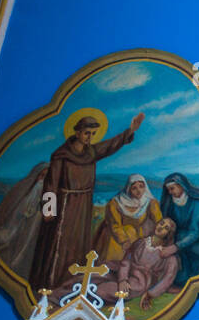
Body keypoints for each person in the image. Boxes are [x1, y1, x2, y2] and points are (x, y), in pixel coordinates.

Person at [29, 112, 144, 292]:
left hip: (83, 204)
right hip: (66, 205)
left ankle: (72, 284)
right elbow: (51, 184)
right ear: (77, 133)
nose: (89, 137)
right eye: (86, 133)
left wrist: (129, 131)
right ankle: (52, 283)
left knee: (80, 243)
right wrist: (49, 209)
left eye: (92, 134)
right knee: (62, 243)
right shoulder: (61, 155)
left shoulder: (91, 152)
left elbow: (109, 146)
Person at [93, 218, 180, 312]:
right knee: (95, 276)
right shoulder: (141, 242)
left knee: (100, 290)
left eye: (166, 228)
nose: (161, 227)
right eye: (161, 223)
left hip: (138, 283)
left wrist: (150, 294)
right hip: (122, 273)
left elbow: (167, 279)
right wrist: (123, 279)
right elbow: (126, 261)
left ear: (169, 234)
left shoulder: (169, 257)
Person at [0, 162, 49, 279]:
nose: (43, 179)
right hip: (18, 226)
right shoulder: (26, 191)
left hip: (34, 228)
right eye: (42, 175)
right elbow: (17, 211)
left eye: (47, 177)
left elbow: (49, 214)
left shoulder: (50, 193)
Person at [92, 174, 163, 263]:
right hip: (116, 236)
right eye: (134, 188)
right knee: (114, 261)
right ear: (128, 189)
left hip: (137, 235)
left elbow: (159, 221)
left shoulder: (150, 202)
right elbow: (115, 225)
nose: (139, 191)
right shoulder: (115, 203)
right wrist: (123, 241)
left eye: (141, 187)